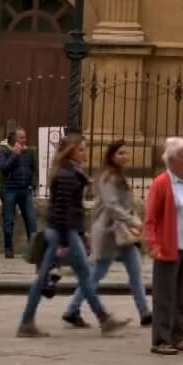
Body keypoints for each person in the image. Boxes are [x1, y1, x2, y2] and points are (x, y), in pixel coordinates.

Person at [18, 135, 129, 337]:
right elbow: (62, 210)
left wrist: (79, 233)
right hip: (62, 232)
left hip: (65, 231)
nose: (84, 153)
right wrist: (64, 241)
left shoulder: (72, 173)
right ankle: (103, 319)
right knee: (72, 276)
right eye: (81, 150)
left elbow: (70, 209)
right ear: (70, 152)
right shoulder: (67, 176)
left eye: (84, 149)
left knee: (70, 276)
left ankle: (28, 322)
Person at [63, 141, 152, 329]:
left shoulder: (118, 176)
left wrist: (130, 219)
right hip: (108, 232)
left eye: (126, 153)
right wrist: (132, 220)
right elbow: (111, 206)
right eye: (120, 153)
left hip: (123, 234)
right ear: (111, 156)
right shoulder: (107, 178)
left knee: (135, 272)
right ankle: (72, 309)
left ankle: (145, 312)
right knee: (96, 274)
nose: (124, 156)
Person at [143, 136, 183, 355]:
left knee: (182, 295)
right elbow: (150, 218)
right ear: (172, 160)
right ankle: (161, 339)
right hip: (169, 245)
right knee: (165, 295)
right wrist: (152, 243)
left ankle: (176, 336)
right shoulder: (162, 183)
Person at [0, 127, 37, 260]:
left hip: (25, 190)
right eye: (21, 138)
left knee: (30, 219)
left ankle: (34, 250)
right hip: (9, 190)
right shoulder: (3, 151)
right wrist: (14, 154)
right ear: (14, 139)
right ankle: (8, 249)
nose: (24, 140)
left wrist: (32, 185)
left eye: (25, 137)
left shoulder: (29, 152)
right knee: (8, 220)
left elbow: (33, 169)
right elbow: (4, 168)